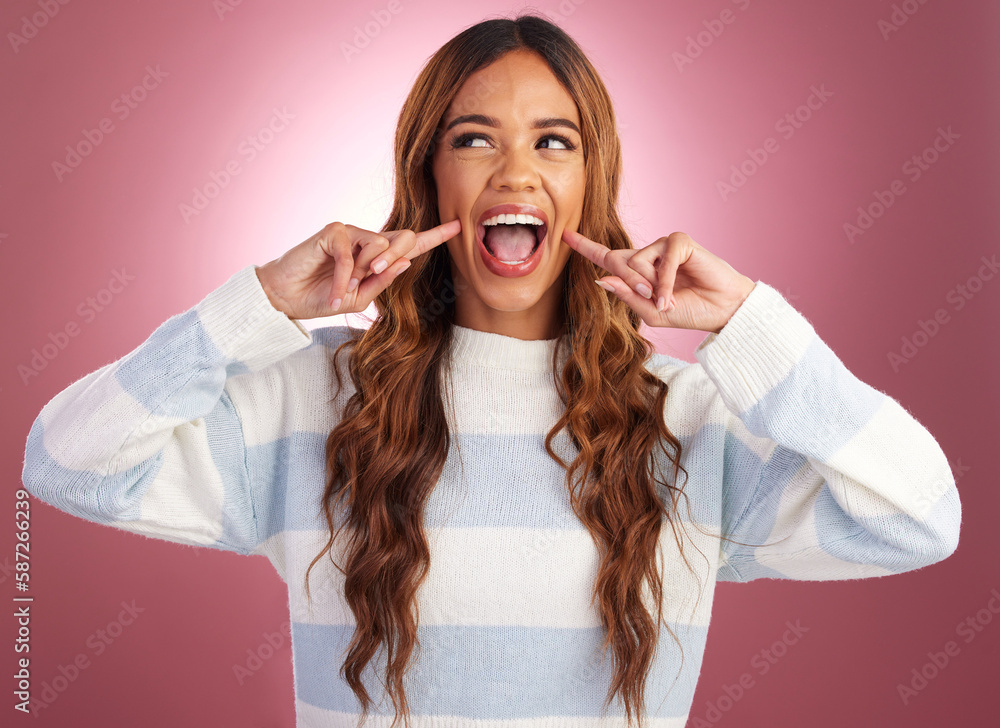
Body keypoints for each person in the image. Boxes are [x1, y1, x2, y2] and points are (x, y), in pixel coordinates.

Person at [21, 13, 961, 728]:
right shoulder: (313, 398)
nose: (516, 173)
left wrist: (753, 327)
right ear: (430, 178)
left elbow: (920, 517)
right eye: (475, 139)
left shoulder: (690, 419)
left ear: (592, 182)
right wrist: (255, 307)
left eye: (555, 142)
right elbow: (66, 460)